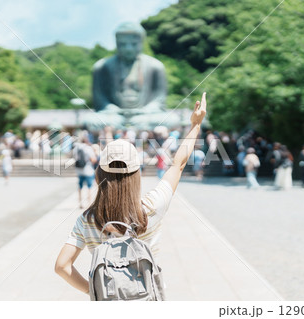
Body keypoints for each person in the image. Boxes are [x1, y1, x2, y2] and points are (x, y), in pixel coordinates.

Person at [54, 92, 207, 297]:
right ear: (137, 175)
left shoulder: (88, 219)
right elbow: (177, 165)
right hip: (146, 298)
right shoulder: (150, 208)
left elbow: (62, 266)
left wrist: (94, 291)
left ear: (99, 175)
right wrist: (196, 124)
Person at [84, 22, 179, 130]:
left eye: (133, 44)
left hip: (144, 115)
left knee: (173, 119)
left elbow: (159, 99)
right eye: (122, 44)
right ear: (116, 43)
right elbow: (100, 100)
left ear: (141, 43)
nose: (128, 48)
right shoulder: (102, 67)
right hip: (115, 116)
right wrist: (111, 108)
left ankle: (131, 127)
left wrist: (146, 110)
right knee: (90, 120)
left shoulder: (155, 66)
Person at [73, 137, 97, 208]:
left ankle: (80, 203)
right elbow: (93, 159)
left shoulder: (76, 149)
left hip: (79, 170)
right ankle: (89, 203)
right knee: (89, 187)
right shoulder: (88, 148)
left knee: (80, 186)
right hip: (88, 170)